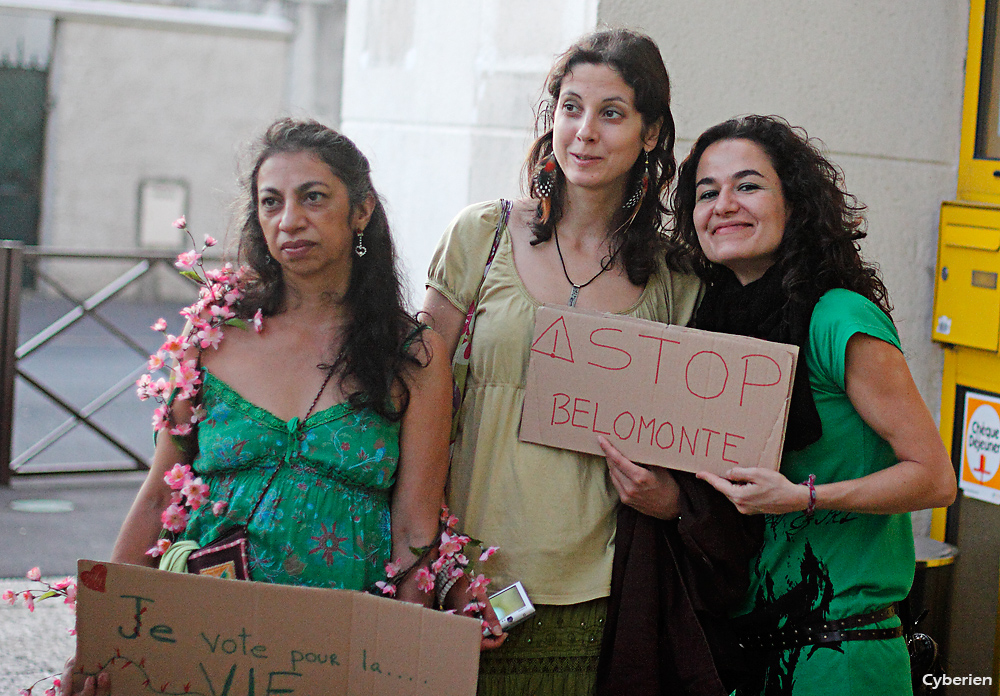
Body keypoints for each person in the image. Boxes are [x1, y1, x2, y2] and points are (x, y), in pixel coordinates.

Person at [63, 118, 453, 695]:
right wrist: (102, 640)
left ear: (362, 210)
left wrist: (407, 664)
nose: (289, 220)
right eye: (271, 202)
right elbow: (158, 496)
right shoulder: (210, 339)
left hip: (337, 650)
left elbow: (416, 526)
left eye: (313, 198)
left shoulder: (413, 355)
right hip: (200, 643)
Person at [420, 28, 708, 695]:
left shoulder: (676, 278)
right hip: (467, 581)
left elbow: (696, 441)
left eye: (611, 113)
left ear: (652, 133)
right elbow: (419, 402)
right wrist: (439, 560)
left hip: (603, 596)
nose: (584, 131)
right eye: (570, 107)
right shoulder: (479, 236)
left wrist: (674, 501)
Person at [668, 114, 957, 695]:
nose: (724, 204)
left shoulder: (839, 318)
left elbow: (935, 479)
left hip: (840, 651)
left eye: (747, 185)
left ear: (794, 203)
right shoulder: (703, 329)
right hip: (745, 654)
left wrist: (803, 498)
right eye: (707, 192)